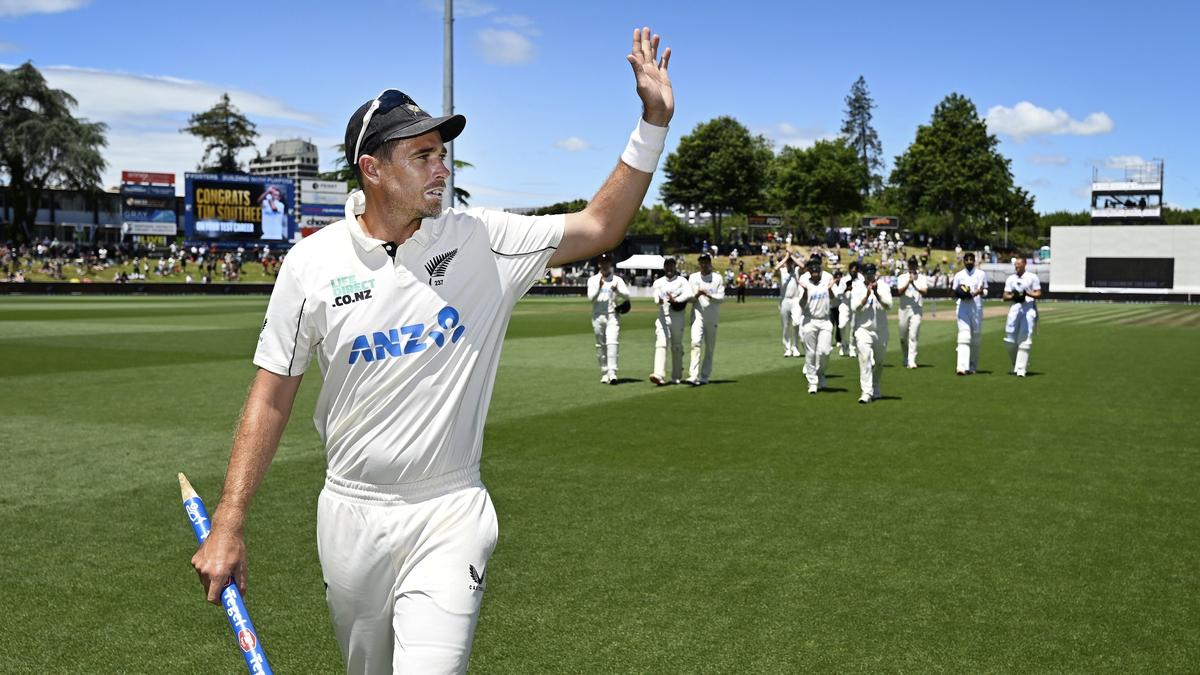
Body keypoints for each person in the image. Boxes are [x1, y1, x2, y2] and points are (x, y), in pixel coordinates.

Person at [190, 27, 674, 675]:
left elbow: (600, 225)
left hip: (450, 509)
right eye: (423, 155)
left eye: (442, 153)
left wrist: (653, 121)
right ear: (373, 168)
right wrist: (228, 519)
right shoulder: (310, 264)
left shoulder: (484, 239)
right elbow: (271, 396)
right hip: (350, 512)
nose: (442, 167)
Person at [851, 263, 892, 403]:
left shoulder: (884, 286)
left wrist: (877, 294)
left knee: (879, 362)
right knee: (865, 359)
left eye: (872, 272)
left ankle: (876, 387)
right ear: (863, 273)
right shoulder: (857, 287)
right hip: (863, 330)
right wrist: (867, 295)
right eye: (867, 272)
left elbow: (889, 305)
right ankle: (866, 392)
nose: (870, 275)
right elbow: (854, 307)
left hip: (881, 330)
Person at [587, 252, 630, 384]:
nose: (604, 265)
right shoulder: (593, 280)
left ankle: (612, 373)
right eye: (602, 262)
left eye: (607, 262)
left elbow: (627, 295)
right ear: (599, 264)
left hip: (612, 316)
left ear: (610, 264)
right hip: (598, 316)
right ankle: (604, 372)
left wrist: (618, 291)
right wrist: (599, 288)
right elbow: (590, 298)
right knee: (601, 345)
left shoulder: (617, 280)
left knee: (612, 343)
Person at [650, 256, 692, 385]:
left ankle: (677, 375)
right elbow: (656, 296)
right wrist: (659, 301)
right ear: (664, 267)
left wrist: (676, 300)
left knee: (676, 346)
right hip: (663, 316)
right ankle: (659, 374)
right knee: (661, 344)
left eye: (671, 265)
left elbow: (689, 294)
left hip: (677, 316)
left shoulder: (682, 281)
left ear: (675, 267)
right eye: (667, 265)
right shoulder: (658, 282)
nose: (669, 268)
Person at [796, 256, 834, 394]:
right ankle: (812, 381)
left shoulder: (828, 277)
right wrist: (805, 292)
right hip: (809, 320)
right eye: (813, 269)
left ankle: (820, 373)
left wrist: (830, 288)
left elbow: (835, 298)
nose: (815, 273)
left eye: (817, 268)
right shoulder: (804, 280)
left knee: (824, 351)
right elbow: (801, 304)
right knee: (811, 352)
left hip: (825, 320)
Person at [686, 253, 724, 385]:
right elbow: (689, 298)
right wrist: (697, 294)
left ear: (710, 263)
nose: (704, 264)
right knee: (695, 343)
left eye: (706, 262)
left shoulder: (717, 278)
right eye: (701, 262)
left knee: (709, 348)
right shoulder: (693, 277)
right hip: (697, 316)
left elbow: (721, 298)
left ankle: (705, 376)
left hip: (712, 318)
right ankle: (693, 375)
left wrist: (708, 294)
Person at [1003, 258, 1041, 377]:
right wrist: (1014, 296)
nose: (1017, 266)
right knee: (1010, 338)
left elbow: (1038, 293)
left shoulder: (1032, 277)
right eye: (1015, 264)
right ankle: (1016, 362)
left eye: (1019, 264)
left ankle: (1021, 368)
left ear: (1024, 264)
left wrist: (1027, 294)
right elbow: (1005, 295)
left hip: (1028, 308)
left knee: (1025, 336)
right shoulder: (1011, 278)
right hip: (1015, 307)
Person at [951, 251, 987, 375]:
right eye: (967, 260)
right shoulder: (959, 275)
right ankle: (961, 367)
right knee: (964, 336)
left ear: (974, 261)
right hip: (962, 307)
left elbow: (985, 290)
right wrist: (961, 293)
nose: (969, 262)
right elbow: (953, 292)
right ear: (964, 261)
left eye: (971, 260)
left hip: (976, 308)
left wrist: (978, 292)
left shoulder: (981, 274)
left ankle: (972, 365)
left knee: (975, 339)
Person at [895, 256, 929, 369]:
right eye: (911, 264)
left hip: (917, 309)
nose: (912, 266)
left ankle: (912, 360)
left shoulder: (922, 278)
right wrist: (908, 282)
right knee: (902, 337)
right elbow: (899, 292)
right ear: (908, 265)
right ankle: (905, 357)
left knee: (913, 335)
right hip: (904, 309)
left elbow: (925, 292)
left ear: (916, 265)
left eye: (914, 264)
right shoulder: (901, 277)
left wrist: (914, 284)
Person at [776, 254, 801, 357]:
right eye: (788, 262)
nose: (790, 263)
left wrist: (792, 257)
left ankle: (795, 347)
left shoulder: (797, 271)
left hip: (796, 300)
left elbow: (803, 266)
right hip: (784, 300)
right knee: (786, 326)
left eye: (791, 262)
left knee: (796, 323)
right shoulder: (782, 272)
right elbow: (775, 268)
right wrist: (787, 256)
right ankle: (787, 348)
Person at [836, 261, 862, 357]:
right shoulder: (844, 280)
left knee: (854, 328)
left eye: (855, 271)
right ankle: (844, 344)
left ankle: (852, 348)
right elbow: (837, 294)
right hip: (845, 305)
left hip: (855, 306)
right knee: (842, 326)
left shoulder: (861, 280)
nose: (853, 272)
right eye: (852, 271)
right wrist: (846, 289)